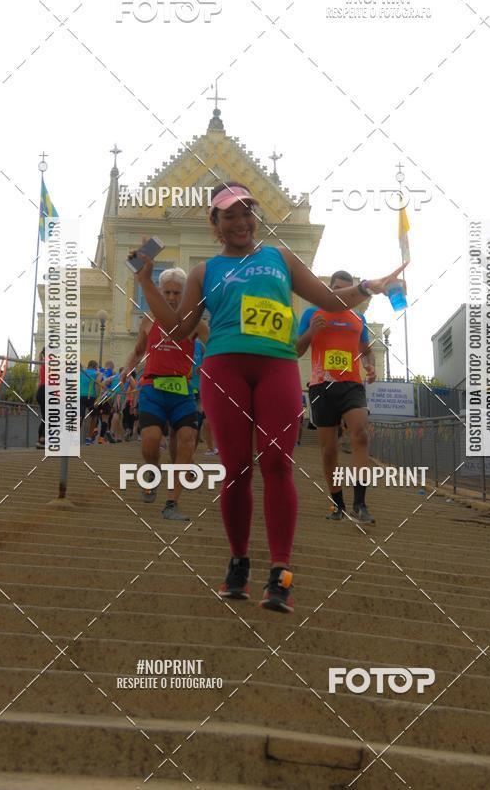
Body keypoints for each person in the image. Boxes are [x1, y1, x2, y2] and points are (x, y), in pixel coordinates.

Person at [133, 182, 405, 614]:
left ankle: (281, 572)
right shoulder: (205, 271)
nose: (241, 221)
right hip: (225, 368)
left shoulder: (280, 257)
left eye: (247, 212)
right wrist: (145, 281)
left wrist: (370, 286)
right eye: (230, 215)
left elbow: (332, 300)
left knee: (278, 462)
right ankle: (238, 561)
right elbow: (179, 329)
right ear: (216, 224)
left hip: (277, 365)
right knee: (237, 468)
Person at [124, 268, 208, 521]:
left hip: (182, 391)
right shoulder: (149, 320)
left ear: (184, 296)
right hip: (152, 388)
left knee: (186, 440)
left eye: (177, 293)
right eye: (167, 292)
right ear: (160, 292)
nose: (171, 297)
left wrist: (212, 363)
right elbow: (138, 351)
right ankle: (152, 468)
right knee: (150, 441)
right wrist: (127, 368)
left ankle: (172, 503)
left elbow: (216, 344)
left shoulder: (194, 322)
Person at [297, 270, 379, 524]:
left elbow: (366, 350)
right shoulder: (312, 313)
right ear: (329, 290)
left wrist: (370, 365)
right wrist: (310, 332)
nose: (340, 294)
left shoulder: (358, 318)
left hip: (352, 385)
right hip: (322, 386)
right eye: (335, 289)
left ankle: (360, 504)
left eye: (346, 289)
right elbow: (296, 349)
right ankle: (338, 505)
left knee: (361, 434)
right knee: (329, 450)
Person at [79, 360, 101, 443]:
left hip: (80, 396)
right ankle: (89, 437)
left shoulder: (81, 372)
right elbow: (97, 384)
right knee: (94, 416)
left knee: (80, 416)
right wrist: (98, 397)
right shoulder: (97, 373)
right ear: (96, 366)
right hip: (91, 396)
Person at [36, 348, 46, 449]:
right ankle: (42, 439)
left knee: (45, 417)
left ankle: (40, 440)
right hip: (46, 390)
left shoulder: (42, 362)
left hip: (41, 390)